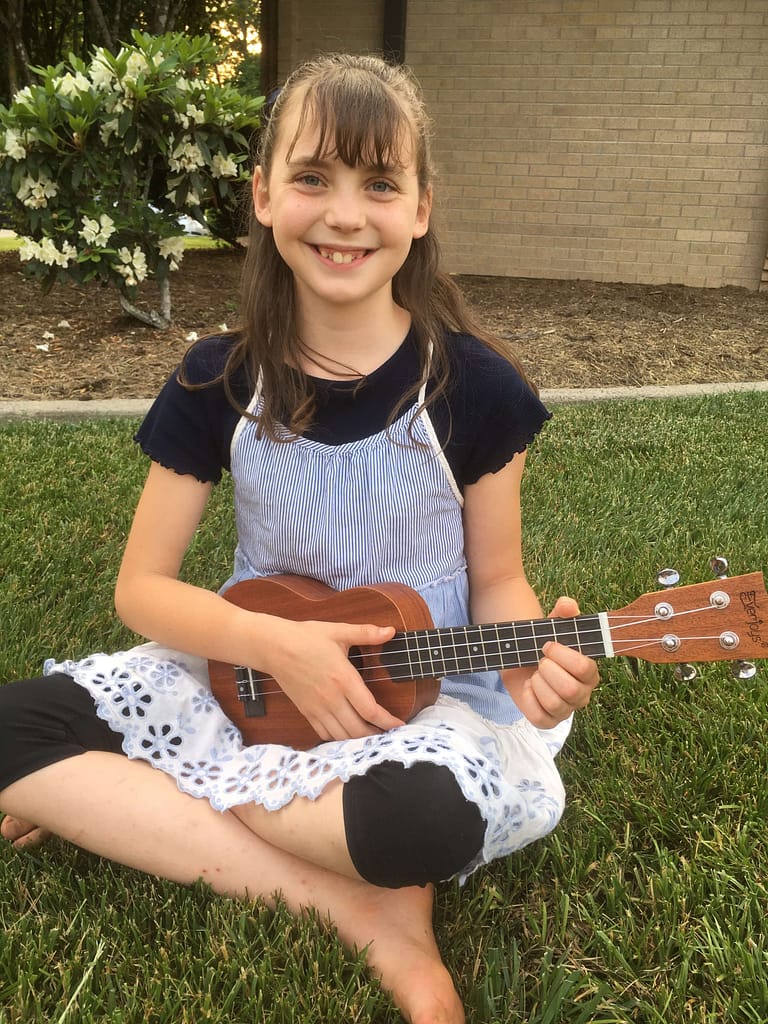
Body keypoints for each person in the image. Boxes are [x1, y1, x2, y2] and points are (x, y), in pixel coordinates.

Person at [0, 54, 599, 1024]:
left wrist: (534, 667)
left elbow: (499, 582)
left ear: (420, 209)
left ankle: (134, 800)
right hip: (249, 672)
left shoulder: (476, 388)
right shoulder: (216, 380)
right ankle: (360, 912)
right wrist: (281, 646)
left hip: (424, 701)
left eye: (379, 183)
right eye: (314, 177)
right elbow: (144, 591)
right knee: (10, 728)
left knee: (418, 821)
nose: (345, 214)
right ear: (264, 194)